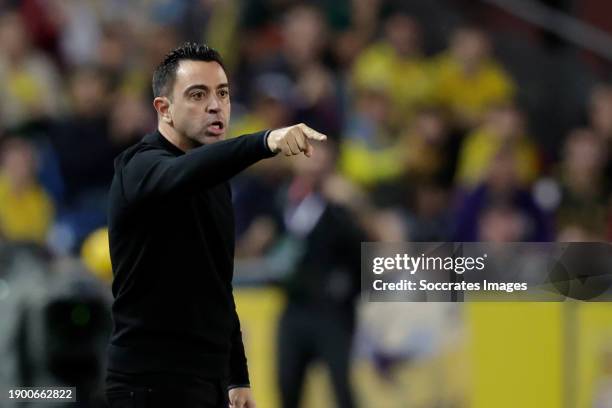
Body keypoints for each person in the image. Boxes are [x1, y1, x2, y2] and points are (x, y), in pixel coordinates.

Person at [105, 42, 326, 408]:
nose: (215, 105)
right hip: (147, 383)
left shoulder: (217, 184)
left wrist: (236, 376)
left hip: (207, 382)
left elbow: (218, 286)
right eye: (197, 94)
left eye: (222, 93)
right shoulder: (138, 167)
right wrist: (265, 140)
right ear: (165, 109)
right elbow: (180, 173)